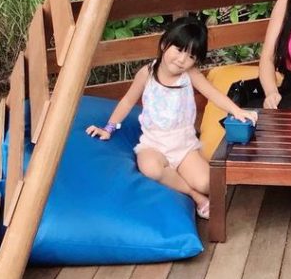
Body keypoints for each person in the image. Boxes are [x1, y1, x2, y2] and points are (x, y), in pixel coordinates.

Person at [86, 16, 255, 219]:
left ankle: (192, 183)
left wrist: (237, 111)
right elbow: (127, 101)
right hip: (153, 145)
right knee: (151, 169)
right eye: (179, 50)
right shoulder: (147, 73)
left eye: (191, 56)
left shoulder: (190, 74)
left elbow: (213, 93)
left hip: (184, 146)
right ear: (164, 44)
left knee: (208, 184)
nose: (182, 60)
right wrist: (108, 128)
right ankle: (196, 197)